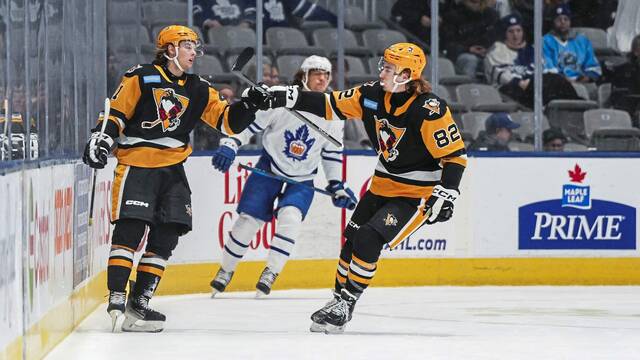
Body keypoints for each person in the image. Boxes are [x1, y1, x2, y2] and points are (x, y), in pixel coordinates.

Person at [261, 43, 467, 333]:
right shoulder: (370, 95)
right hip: (381, 185)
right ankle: (336, 301)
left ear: (406, 74)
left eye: (389, 68)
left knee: (369, 238)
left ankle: (347, 302)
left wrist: (447, 192)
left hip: (414, 195)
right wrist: (281, 96)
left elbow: (455, 155)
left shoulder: (428, 109)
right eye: (383, 65)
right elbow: (328, 104)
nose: (382, 71)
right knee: (352, 239)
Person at [82, 25, 271, 333]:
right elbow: (115, 113)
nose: (194, 52)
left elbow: (226, 123)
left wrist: (249, 105)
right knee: (130, 229)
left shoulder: (199, 88)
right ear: (169, 49)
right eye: (187, 46)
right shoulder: (140, 77)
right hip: (137, 165)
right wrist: (101, 139)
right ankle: (117, 293)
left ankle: (138, 303)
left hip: (173, 171)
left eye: (196, 46)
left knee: (167, 236)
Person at [208, 55, 357, 297]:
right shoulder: (282, 97)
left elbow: (332, 151)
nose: (322, 78)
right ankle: (226, 270)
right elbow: (249, 125)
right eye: (316, 73)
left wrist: (337, 184)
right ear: (304, 75)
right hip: (269, 168)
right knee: (248, 221)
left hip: (303, 178)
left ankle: (271, 271)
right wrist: (230, 143)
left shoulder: (335, 110)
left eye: (326, 74)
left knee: (291, 218)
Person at [485, 14, 579, 108]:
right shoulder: (497, 50)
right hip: (510, 90)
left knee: (557, 79)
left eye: (518, 30)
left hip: (534, 87)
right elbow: (501, 76)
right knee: (551, 83)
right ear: (505, 33)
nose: (515, 35)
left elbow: (545, 70)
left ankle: (578, 105)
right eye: (511, 31)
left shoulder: (531, 50)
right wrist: (520, 82)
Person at [543, 4, 601, 83]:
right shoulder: (545, 41)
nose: (563, 22)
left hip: (582, 83)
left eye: (566, 19)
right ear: (553, 22)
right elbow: (548, 69)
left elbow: (592, 66)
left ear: (570, 21)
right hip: (558, 84)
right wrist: (566, 81)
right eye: (559, 19)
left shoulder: (582, 41)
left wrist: (586, 77)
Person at [442, 0, 499, 78]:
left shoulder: (491, 15)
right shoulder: (452, 16)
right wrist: (468, 49)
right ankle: (468, 88)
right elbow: (448, 45)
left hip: (488, 53)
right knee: (470, 60)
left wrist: (488, 49)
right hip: (463, 54)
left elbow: (498, 38)